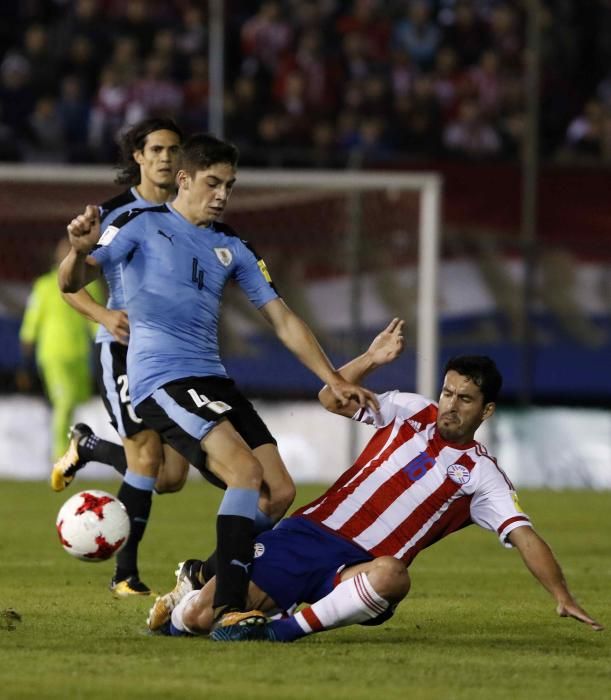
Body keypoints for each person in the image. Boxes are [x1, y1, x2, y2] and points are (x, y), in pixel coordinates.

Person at [57, 132, 377, 629]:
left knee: (278, 492)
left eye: (230, 184)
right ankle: (229, 608)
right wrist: (78, 252)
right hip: (161, 380)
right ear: (183, 179)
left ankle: (200, 575)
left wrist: (332, 377)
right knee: (244, 473)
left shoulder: (233, 245)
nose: (223, 194)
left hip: (212, 378)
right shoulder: (138, 226)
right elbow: (71, 282)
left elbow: (283, 319)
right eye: (213, 182)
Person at [148, 319, 603, 640]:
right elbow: (331, 397)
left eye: (465, 399)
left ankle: (279, 632)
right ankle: (186, 600)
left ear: (485, 411)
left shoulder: (483, 476)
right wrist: (370, 358)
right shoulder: (407, 409)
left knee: (393, 577)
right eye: (447, 392)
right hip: (306, 536)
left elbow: (524, 536)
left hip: (355, 571)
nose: (450, 405)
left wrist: (561, 594)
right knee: (202, 619)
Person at [54, 116, 188, 598]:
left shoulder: (189, 214)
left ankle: (88, 447)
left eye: (174, 150)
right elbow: (69, 287)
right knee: (148, 457)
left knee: (170, 477)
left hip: (175, 357)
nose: (167, 159)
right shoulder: (113, 216)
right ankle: (124, 575)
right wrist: (106, 318)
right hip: (124, 351)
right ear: (138, 156)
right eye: (156, 150)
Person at [18, 237, 104, 461]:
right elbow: (31, 324)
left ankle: (72, 446)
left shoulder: (90, 285)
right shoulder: (45, 286)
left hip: (80, 356)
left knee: (76, 402)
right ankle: (60, 456)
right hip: (53, 355)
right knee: (64, 402)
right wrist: (24, 362)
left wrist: (107, 347)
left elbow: (97, 322)